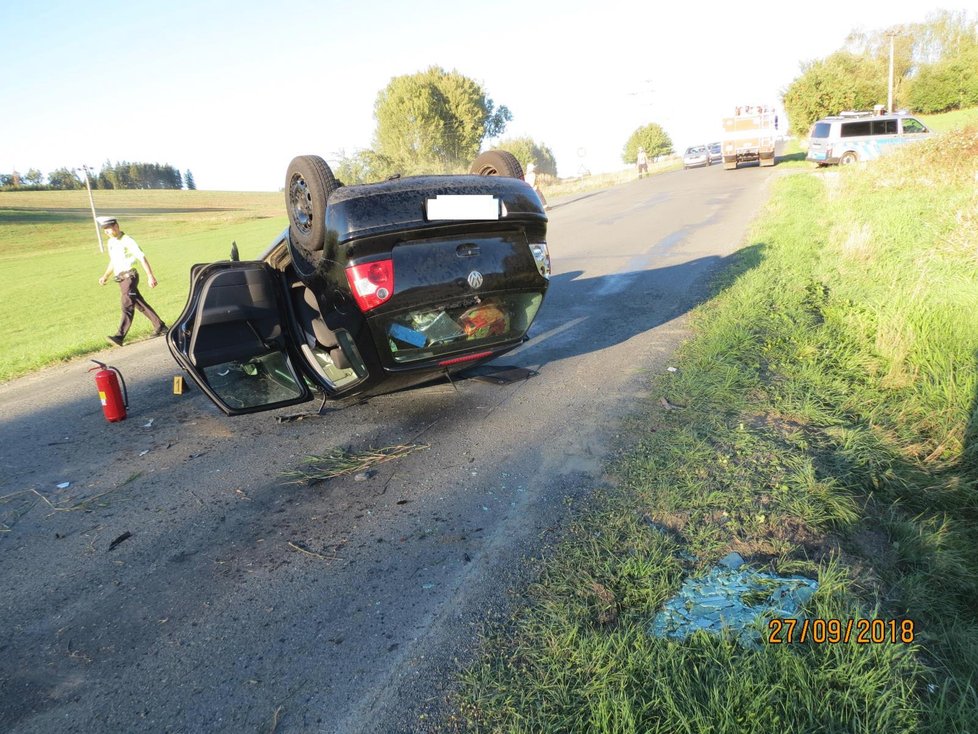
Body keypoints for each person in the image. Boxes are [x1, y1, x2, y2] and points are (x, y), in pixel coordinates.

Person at [96, 216, 167, 346]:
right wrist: (105, 275)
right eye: (104, 230)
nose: (106, 232)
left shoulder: (128, 240)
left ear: (116, 226)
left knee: (126, 305)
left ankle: (119, 336)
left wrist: (150, 276)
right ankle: (160, 326)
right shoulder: (111, 242)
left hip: (130, 277)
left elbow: (142, 258)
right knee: (139, 303)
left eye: (108, 229)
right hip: (121, 279)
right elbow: (113, 261)